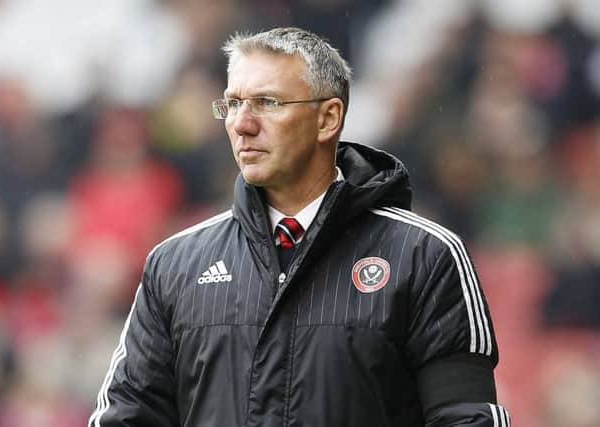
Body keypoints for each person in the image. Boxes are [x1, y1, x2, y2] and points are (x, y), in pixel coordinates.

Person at [89, 27, 511, 427]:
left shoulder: (424, 256)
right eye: (232, 104)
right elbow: (126, 417)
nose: (241, 124)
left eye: (268, 102)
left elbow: (466, 418)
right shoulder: (176, 264)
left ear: (328, 119)